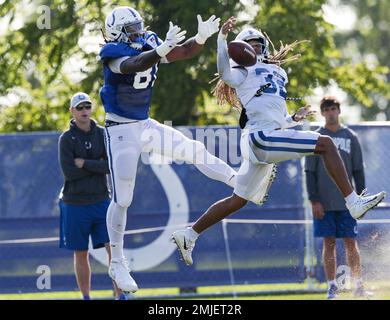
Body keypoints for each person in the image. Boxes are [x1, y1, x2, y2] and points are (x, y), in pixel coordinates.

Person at [171, 16, 385, 268]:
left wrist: (293, 118)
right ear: (241, 50)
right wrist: (221, 40)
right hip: (259, 139)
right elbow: (224, 71)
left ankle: (190, 234)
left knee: (238, 199)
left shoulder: (278, 72)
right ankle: (353, 202)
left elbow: (273, 116)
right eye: (249, 45)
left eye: (258, 44)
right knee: (325, 143)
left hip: (264, 136)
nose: (255, 49)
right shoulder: (241, 72)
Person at [99, 7, 238, 293]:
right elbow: (133, 65)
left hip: (145, 124)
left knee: (193, 149)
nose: (138, 31)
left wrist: (200, 39)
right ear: (117, 32)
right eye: (131, 28)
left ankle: (240, 181)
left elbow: (183, 52)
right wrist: (161, 49)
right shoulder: (111, 53)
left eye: (138, 25)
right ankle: (117, 262)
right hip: (121, 130)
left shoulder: (148, 41)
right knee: (123, 198)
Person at [305, 96, 373, 299]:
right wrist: (314, 199)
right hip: (324, 204)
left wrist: (362, 198)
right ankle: (332, 287)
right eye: (326, 109)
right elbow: (310, 171)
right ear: (322, 113)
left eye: (333, 108)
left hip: (348, 203)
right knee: (329, 243)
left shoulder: (351, 136)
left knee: (351, 242)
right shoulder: (316, 137)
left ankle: (358, 286)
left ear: (339, 111)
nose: (330, 112)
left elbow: (358, 170)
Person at [58, 92, 122, 300]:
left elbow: (111, 166)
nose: (84, 111)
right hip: (74, 204)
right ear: (72, 111)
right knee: (80, 253)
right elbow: (70, 172)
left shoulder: (103, 134)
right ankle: (86, 297)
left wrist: (85, 163)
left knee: (113, 250)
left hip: (102, 201)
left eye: (87, 106)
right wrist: (97, 166)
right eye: (80, 108)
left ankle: (119, 295)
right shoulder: (66, 139)